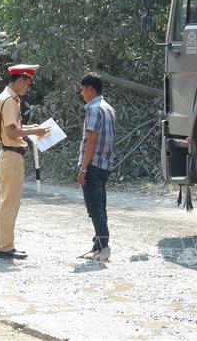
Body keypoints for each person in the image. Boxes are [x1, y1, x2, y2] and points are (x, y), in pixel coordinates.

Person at [0, 64, 49, 260]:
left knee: (6, 202)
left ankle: (5, 245)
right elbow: (11, 132)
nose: (29, 87)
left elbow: (14, 127)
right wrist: (34, 132)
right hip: (11, 156)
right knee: (9, 203)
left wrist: (31, 127)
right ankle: (5, 247)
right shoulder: (9, 100)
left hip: (9, 155)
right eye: (28, 82)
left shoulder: (7, 97)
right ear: (20, 80)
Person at [77, 72, 116, 261]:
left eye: (83, 91)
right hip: (106, 164)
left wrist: (83, 169)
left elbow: (91, 139)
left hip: (93, 164)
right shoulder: (109, 108)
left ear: (90, 90)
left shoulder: (93, 109)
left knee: (95, 208)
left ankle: (103, 247)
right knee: (100, 206)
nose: (82, 94)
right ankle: (98, 245)